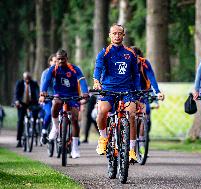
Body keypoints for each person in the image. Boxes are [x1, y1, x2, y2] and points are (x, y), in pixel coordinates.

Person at [93, 24, 140, 162]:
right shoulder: (104, 52)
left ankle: (131, 150)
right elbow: (98, 68)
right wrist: (96, 81)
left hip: (127, 89)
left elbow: (136, 75)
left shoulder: (130, 53)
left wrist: (137, 91)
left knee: (132, 115)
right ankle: (103, 137)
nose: (117, 36)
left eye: (120, 33)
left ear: (123, 35)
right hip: (108, 88)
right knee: (102, 110)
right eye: (114, 33)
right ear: (110, 35)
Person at [39, 49, 89, 158]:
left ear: (67, 59)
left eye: (63, 59)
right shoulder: (53, 69)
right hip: (59, 94)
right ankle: (56, 127)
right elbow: (46, 81)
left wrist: (85, 93)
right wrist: (43, 93)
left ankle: (75, 148)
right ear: (56, 59)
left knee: (75, 119)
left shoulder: (74, 69)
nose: (60, 61)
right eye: (58, 59)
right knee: (55, 104)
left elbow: (82, 80)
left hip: (73, 95)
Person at [131, 46, 165, 151]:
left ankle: (141, 141)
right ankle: (129, 141)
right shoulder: (125, 63)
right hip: (130, 91)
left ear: (139, 56)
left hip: (143, 92)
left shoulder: (145, 63)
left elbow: (152, 77)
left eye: (135, 58)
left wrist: (158, 92)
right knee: (130, 115)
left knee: (145, 114)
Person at [14, 72, 40, 147]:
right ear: (23, 78)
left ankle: (33, 131)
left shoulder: (34, 83)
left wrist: (39, 100)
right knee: (20, 121)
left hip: (32, 104)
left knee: (35, 116)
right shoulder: (19, 83)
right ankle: (19, 140)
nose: (27, 80)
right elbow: (16, 94)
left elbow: (37, 93)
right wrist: (16, 101)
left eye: (29, 78)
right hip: (21, 104)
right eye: (26, 78)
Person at [39, 54, 57, 144]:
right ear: (50, 62)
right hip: (48, 99)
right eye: (54, 61)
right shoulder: (45, 73)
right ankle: (44, 131)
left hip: (59, 98)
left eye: (57, 61)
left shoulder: (61, 72)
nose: (56, 63)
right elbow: (43, 86)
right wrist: (42, 95)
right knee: (49, 114)